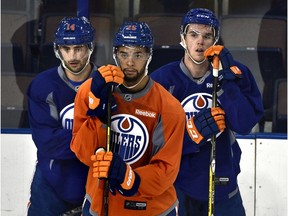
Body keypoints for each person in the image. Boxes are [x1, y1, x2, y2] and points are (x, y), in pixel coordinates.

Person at [150, 8, 264, 216]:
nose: (200, 42)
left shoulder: (237, 73)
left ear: (216, 40)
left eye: (207, 36)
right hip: (175, 186)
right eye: (193, 34)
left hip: (222, 186)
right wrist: (191, 134)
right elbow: (149, 142)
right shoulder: (161, 80)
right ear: (182, 38)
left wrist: (224, 83)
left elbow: (245, 125)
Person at [70, 21, 186, 216]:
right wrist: (98, 113)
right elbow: (82, 152)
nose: (130, 62)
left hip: (151, 209)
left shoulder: (170, 108)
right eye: (124, 54)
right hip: (101, 204)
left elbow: (166, 170)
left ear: (149, 55)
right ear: (115, 54)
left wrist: (129, 177)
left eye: (138, 54)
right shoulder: (89, 92)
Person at [27, 16, 96, 215]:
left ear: (90, 48)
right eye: (66, 49)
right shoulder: (43, 85)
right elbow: (48, 143)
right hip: (51, 183)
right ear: (58, 50)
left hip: (96, 183)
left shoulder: (107, 85)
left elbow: (112, 141)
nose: (72, 56)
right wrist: (91, 138)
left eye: (79, 48)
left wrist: (71, 138)